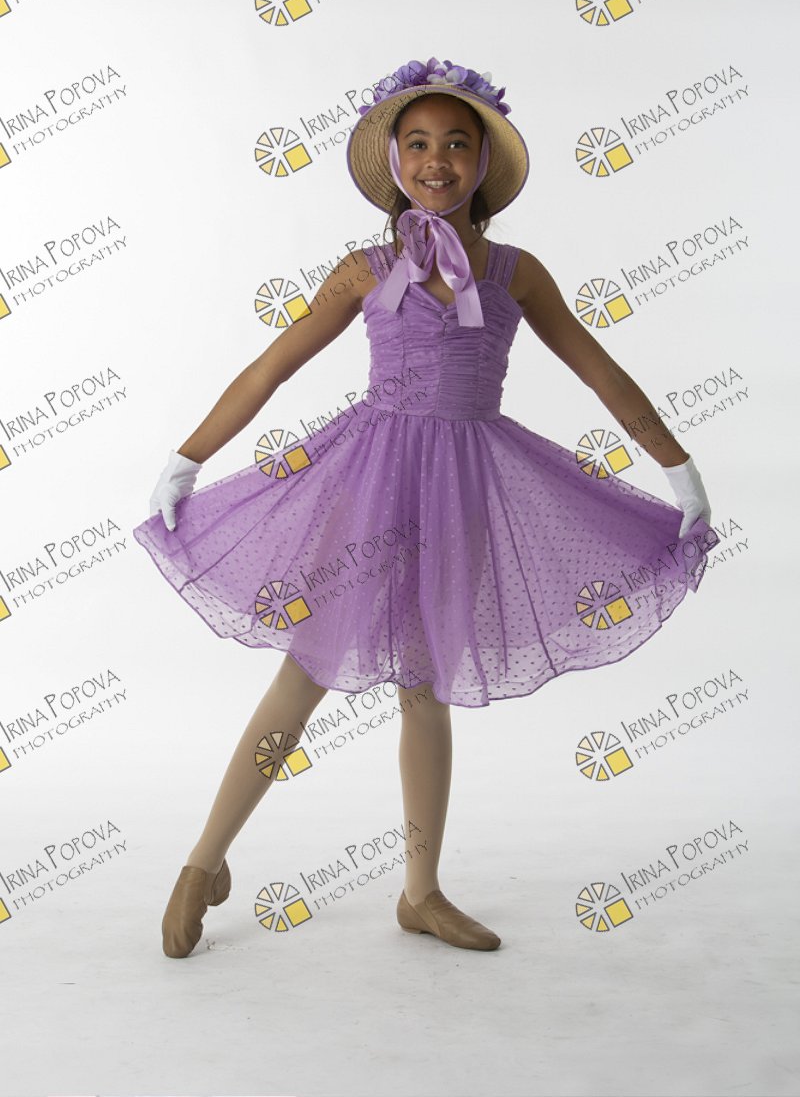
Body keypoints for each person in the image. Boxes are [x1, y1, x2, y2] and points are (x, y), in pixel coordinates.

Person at [133, 56, 719, 959]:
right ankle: (202, 861)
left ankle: (421, 891)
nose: (435, 160)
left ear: (483, 162)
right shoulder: (366, 270)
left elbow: (599, 370)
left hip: (466, 491)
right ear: (394, 160)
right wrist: (188, 456)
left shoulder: (518, 273)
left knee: (424, 686)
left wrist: (678, 469)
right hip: (366, 482)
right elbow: (270, 367)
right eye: (417, 143)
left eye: (455, 144)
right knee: (304, 672)